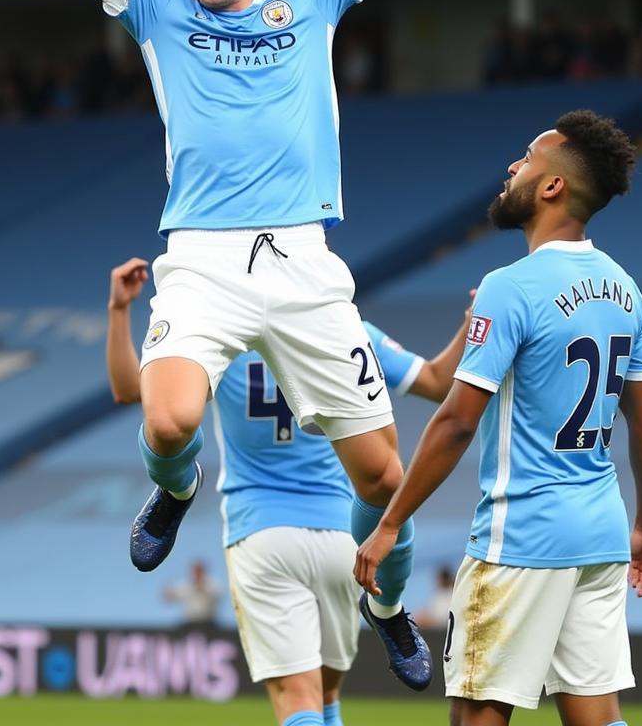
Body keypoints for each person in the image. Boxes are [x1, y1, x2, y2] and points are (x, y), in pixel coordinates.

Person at [0, 0, 493, 696]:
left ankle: (389, 608)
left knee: (383, 481)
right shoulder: (162, 13)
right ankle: (175, 494)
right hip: (201, 257)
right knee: (168, 423)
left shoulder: (313, 0)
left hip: (303, 260)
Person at [355, 110, 642, 726]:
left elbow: (455, 422)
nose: (512, 167)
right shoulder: (626, 289)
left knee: (478, 714)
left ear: (552, 187)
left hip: (520, 538)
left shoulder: (512, 286)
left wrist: (390, 524)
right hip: (601, 534)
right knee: (596, 716)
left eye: (526, 158)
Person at [107, 257, 474, 725]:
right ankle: (387, 612)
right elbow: (437, 382)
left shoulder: (220, 335)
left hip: (261, 530)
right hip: (346, 538)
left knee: (297, 701)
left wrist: (120, 310)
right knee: (327, 699)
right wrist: (471, 325)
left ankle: (178, 488)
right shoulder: (343, 330)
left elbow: (130, 391)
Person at [162, 559, 223, 629]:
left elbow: (219, 595)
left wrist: (202, 587)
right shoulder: (187, 585)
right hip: (190, 622)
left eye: (199, 571)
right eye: (196, 571)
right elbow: (171, 596)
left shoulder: (212, 584)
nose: (197, 574)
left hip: (208, 622)